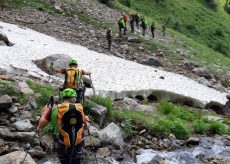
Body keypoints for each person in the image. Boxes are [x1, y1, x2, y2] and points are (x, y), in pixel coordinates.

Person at [38, 88, 90, 164]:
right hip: (78, 143)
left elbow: (41, 125)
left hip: (61, 143)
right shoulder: (79, 108)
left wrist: (45, 111)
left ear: (62, 98)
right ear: (73, 98)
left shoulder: (56, 109)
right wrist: (87, 121)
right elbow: (87, 126)